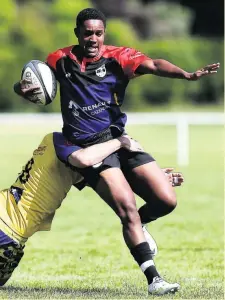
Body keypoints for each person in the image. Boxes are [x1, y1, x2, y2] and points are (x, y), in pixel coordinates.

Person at [13, 7, 216, 295]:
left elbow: (155, 65)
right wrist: (22, 89)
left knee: (166, 200)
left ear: (103, 33)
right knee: (127, 208)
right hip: (88, 148)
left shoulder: (118, 58)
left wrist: (186, 75)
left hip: (119, 139)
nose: (93, 39)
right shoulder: (58, 59)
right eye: (87, 33)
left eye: (98, 33)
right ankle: (154, 279)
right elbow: (30, 84)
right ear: (77, 34)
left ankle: (140, 226)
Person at [0, 131, 183, 289]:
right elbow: (84, 158)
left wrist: (155, 181)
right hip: (5, 223)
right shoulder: (60, 141)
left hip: (14, 236)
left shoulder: (74, 162)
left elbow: (113, 184)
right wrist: (121, 141)